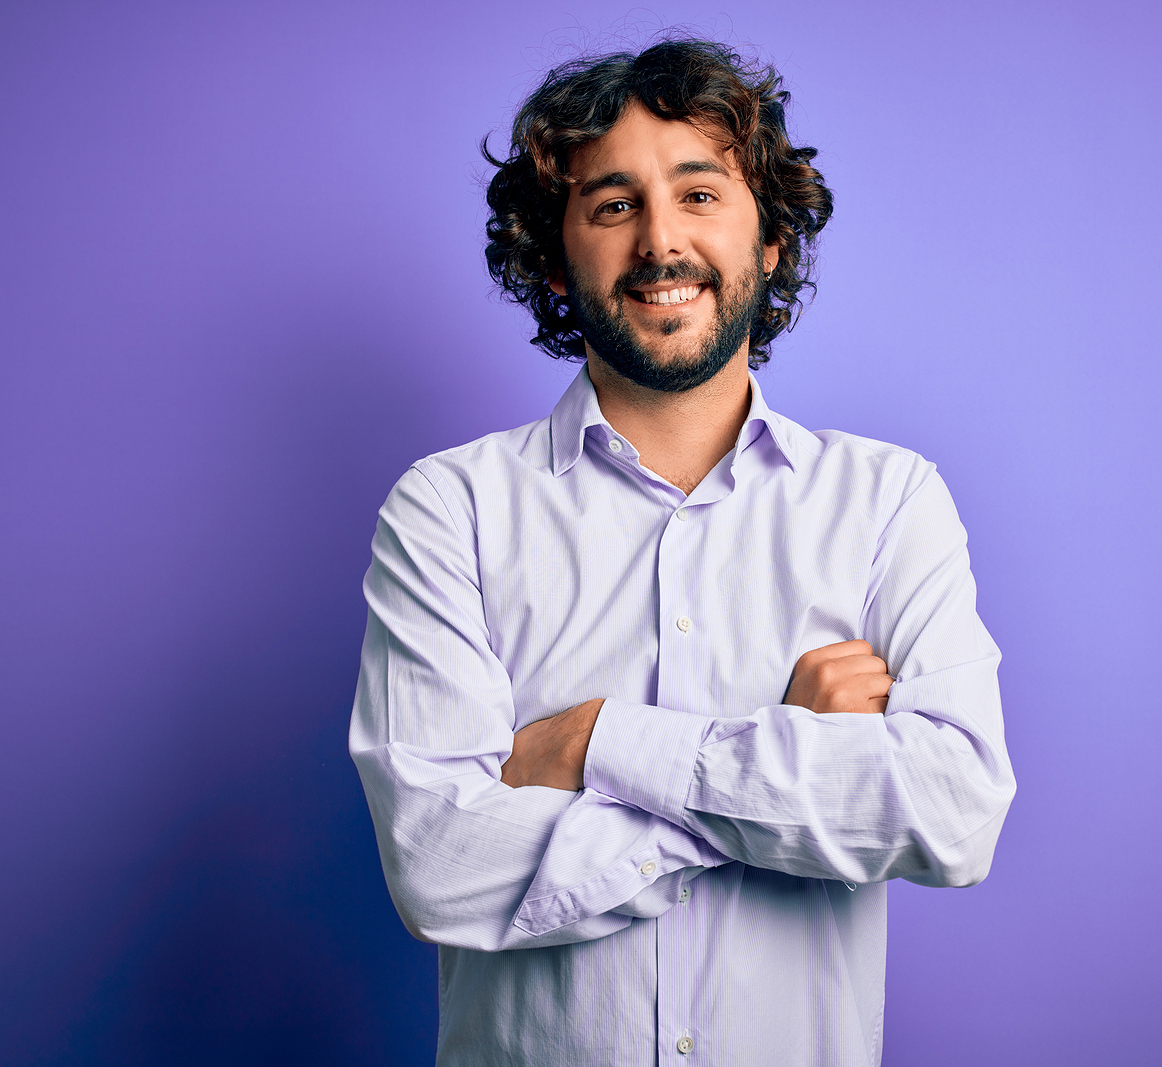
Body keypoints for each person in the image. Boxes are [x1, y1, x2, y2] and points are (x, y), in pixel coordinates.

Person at [349, 38, 1015, 1067]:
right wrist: (784, 756)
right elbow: (441, 866)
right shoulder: (449, 511)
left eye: (700, 194)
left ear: (773, 238)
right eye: (612, 204)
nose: (661, 242)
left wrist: (600, 744)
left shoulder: (889, 502)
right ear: (557, 259)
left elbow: (955, 811)